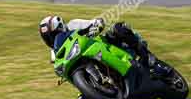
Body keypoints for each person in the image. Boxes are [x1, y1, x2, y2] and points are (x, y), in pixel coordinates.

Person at [39, 15, 169, 77]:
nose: (52, 39)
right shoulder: (54, 54)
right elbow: (61, 71)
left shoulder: (74, 25)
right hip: (86, 62)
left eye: (54, 34)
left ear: (61, 27)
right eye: (48, 38)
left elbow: (97, 22)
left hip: (103, 45)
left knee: (119, 29)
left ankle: (149, 60)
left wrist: (95, 27)